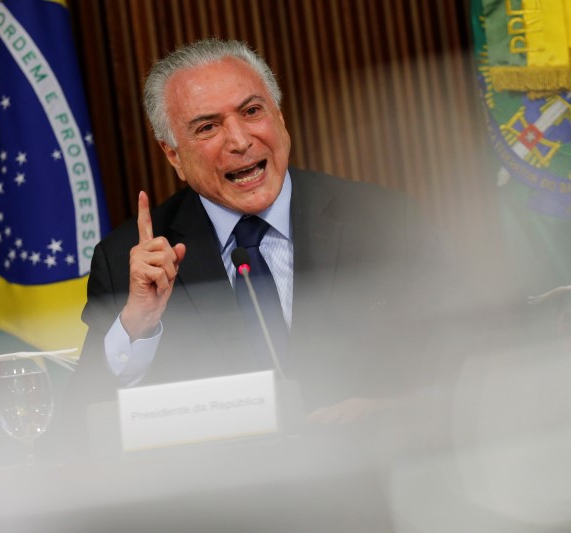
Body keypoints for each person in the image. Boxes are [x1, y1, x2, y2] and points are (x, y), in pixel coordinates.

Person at [65, 38, 460, 433]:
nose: (239, 141)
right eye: (208, 127)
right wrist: (139, 324)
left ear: (280, 119)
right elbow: (79, 429)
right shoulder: (127, 264)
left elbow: (471, 359)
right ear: (173, 156)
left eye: (252, 111)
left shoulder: (387, 223)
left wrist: (398, 409)